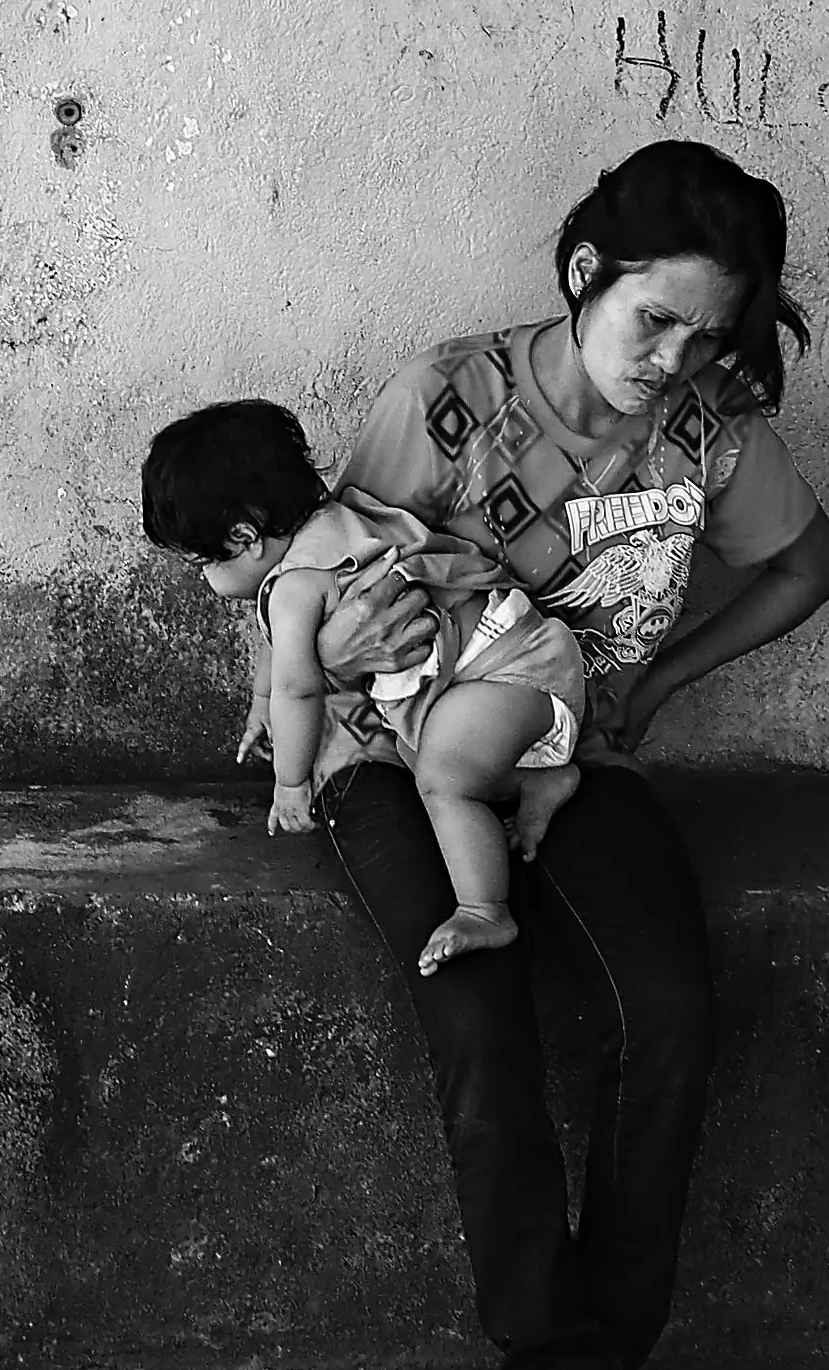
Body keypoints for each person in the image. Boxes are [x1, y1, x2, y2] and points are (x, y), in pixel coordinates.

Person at [300, 140, 829, 1370]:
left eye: (703, 336)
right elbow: (310, 595)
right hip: (404, 767)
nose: (669, 362)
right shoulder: (445, 394)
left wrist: (652, 693)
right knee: (477, 1017)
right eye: (648, 321)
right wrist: (342, 646)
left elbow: (808, 566)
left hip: (573, 756)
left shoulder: (707, 439)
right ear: (580, 276)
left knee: (667, 1010)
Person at [140, 399, 586, 975]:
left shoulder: (297, 587)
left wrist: (291, 783)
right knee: (418, 748)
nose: (204, 577)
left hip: (505, 668)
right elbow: (276, 655)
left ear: (246, 536)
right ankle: (539, 780)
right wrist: (259, 702)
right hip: (521, 659)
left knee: (442, 779)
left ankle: (484, 910)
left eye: (203, 561)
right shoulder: (337, 523)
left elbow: (299, 690)